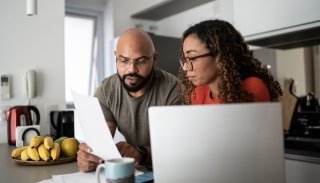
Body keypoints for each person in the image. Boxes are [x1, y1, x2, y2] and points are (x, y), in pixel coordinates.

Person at [77, 28, 182, 172]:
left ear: (154, 59)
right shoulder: (106, 91)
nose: (131, 69)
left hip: (173, 169)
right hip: (136, 172)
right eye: (124, 60)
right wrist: (89, 157)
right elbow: (100, 146)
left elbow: (178, 148)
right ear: (115, 57)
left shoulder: (173, 89)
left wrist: (141, 153)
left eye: (141, 61)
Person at [177, 19, 282, 105]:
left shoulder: (252, 87)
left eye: (192, 57)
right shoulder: (198, 93)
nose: (186, 67)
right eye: (185, 59)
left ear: (219, 56)